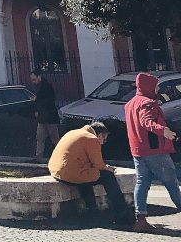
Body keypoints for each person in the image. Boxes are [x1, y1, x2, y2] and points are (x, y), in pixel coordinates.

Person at [125, 72, 181, 233]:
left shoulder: (130, 103)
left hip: (138, 150)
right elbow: (147, 122)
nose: (157, 89)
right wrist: (164, 131)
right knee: (171, 183)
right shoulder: (148, 103)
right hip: (154, 150)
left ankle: (140, 219)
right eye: (156, 86)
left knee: (141, 183)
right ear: (148, 87)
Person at [48, 121, 131, 226]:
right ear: (100, 135)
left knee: (88, 175)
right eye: (104, 139)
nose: (103, 143)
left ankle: (92, 211)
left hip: (56, 171)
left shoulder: (73, 132)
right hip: (71, 173)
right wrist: (108, 168)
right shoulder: (92, 139)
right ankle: (122, 213)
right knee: (108, 176)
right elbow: (99, 164)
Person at [31, 69, 60, 159]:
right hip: (43, 117)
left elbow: (48, 101)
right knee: (40, 137)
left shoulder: (46, 87)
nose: (33, 81)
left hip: (50, 117)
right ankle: (38, 156)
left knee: (54, 138)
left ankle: (60, 155)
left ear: (39, 77)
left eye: (34, 79)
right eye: (32, 80)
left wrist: (36, 100)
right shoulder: (39, 87)